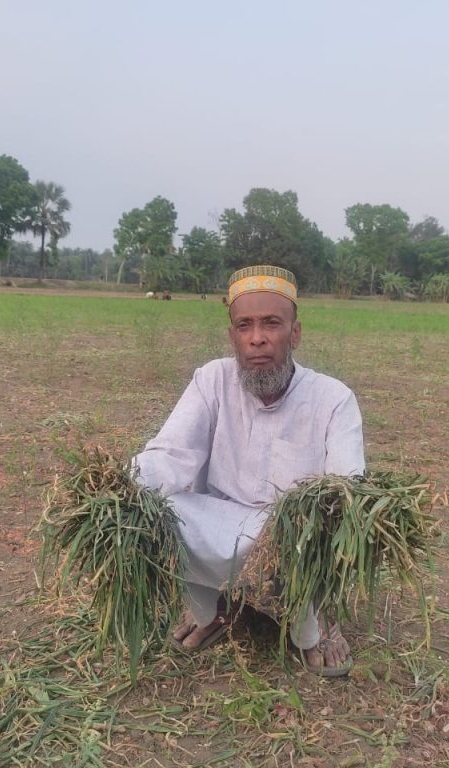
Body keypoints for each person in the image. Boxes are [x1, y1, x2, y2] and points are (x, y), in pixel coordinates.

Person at [133, 265, 365, 676]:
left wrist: (306, 523)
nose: (257, 337)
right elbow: (170, 453)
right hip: (220, 525)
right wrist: (120, 485)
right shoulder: (212, 379)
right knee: (160, 506)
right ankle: (214, 611)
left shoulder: (333, 398)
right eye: (245, 326)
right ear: (233, 337)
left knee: (323, 523)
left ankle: (314, 626)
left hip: (293, 534)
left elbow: (346, 490)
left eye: (271, 324)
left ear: (294, 333)